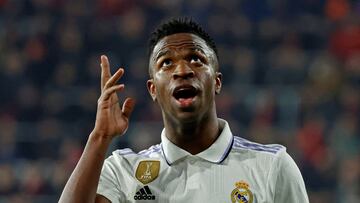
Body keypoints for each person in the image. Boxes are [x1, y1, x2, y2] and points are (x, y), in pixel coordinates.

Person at [59, 18, 309, 203]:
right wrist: (100, 137)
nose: (182, 70)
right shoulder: (124, 170)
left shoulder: (272, 166)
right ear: (153, 89)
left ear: (217, 82)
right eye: (166, 63)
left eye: (196, 59)